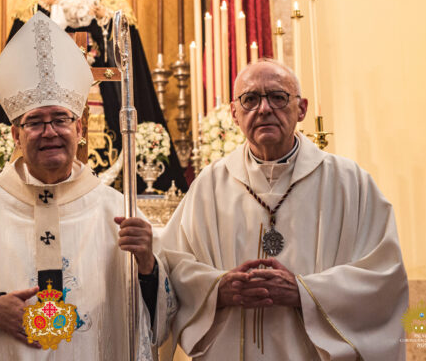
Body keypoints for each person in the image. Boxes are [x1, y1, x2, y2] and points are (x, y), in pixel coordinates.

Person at [0, 13, 176, 360]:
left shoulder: (117, 211)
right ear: (15, 135)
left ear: (80, 129)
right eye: (35, 122)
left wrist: (147, 264)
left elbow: (161, 320)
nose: (50, 131)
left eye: (60, 119)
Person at [160, 59, 409, 360]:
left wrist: (304, 292)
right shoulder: (209, 186)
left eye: (277, 97)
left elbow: (384, 277)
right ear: (234, 114)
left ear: (301, 108)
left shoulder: (349, 183)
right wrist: (216, 290)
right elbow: (171, 268)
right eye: (250, 99)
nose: (264, 108)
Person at [0, 0, 187, 192]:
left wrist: (102, 18)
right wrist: (46, 8)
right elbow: (34, 32)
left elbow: (113, 39)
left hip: (95, 84)